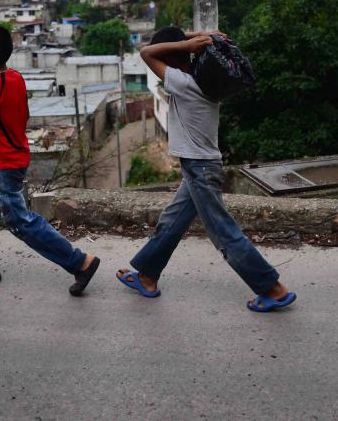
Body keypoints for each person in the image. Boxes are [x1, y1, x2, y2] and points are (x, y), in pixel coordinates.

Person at [116, 26, 296, 312]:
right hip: (199, 166)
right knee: (172, 220)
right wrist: (190, 38)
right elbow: (202, 40)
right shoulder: (205, 78)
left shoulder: (185, 83)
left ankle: (272, 289)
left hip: (200, 168)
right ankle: (148, 276)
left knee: (224, 233)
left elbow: (146, 53)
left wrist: (184, 43)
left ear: (175, 56)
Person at [0, 26, 99, 296]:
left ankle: (80, 262)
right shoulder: (15, 78)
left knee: (19, 221)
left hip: (4, 162)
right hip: (13, 156)